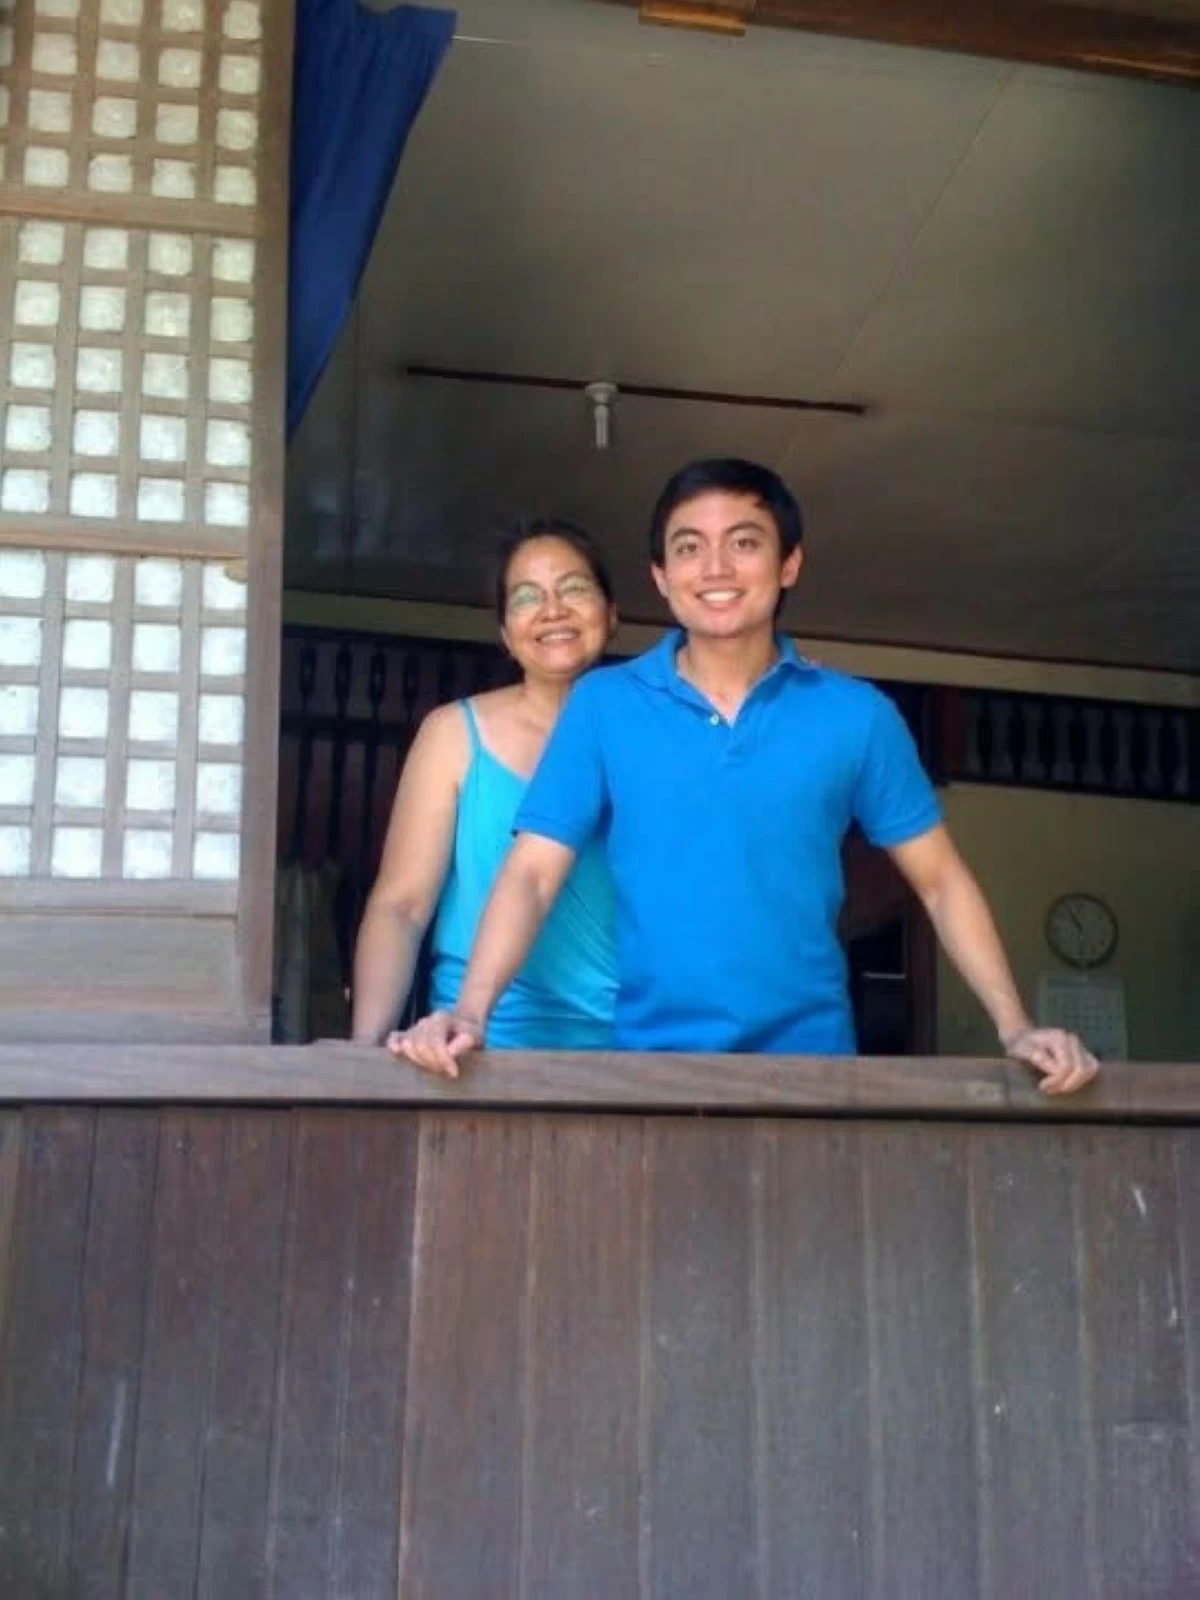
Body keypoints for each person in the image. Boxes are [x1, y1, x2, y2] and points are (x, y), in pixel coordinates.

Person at [395, 459, 1099, 1096]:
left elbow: (941, 882)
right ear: (661, 579)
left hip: (813, 1070)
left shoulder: (857, 716)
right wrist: (468, 1010)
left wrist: (1014, 1026)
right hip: (648, 1070)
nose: (717, 567)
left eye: (745, 541)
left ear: (789, 563)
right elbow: (532, 874)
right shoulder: (605, 706)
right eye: (689, 547)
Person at [350, 518, 619, 1048]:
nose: (552, 609)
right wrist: (365, 1050)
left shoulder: (653, 737)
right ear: (505, 635)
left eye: (574, 588)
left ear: (611, 615)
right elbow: (401, 905)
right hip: (477, 1044)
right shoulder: (453, 733)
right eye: (526, 597)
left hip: (626, 1047)